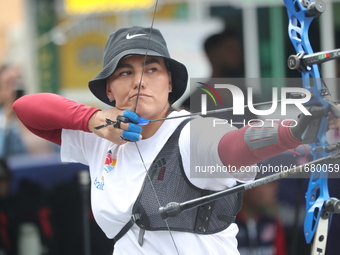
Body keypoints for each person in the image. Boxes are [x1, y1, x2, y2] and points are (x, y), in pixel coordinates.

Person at [12, 26, 337, 255]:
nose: (139, 80)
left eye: (151, 69)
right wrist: (93, 120)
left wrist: (295, 131)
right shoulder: (99, 137)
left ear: (170, 83)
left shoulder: (192, 132)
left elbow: (236, 145)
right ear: (109, 89)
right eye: (125, 72)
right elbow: (26, 109)